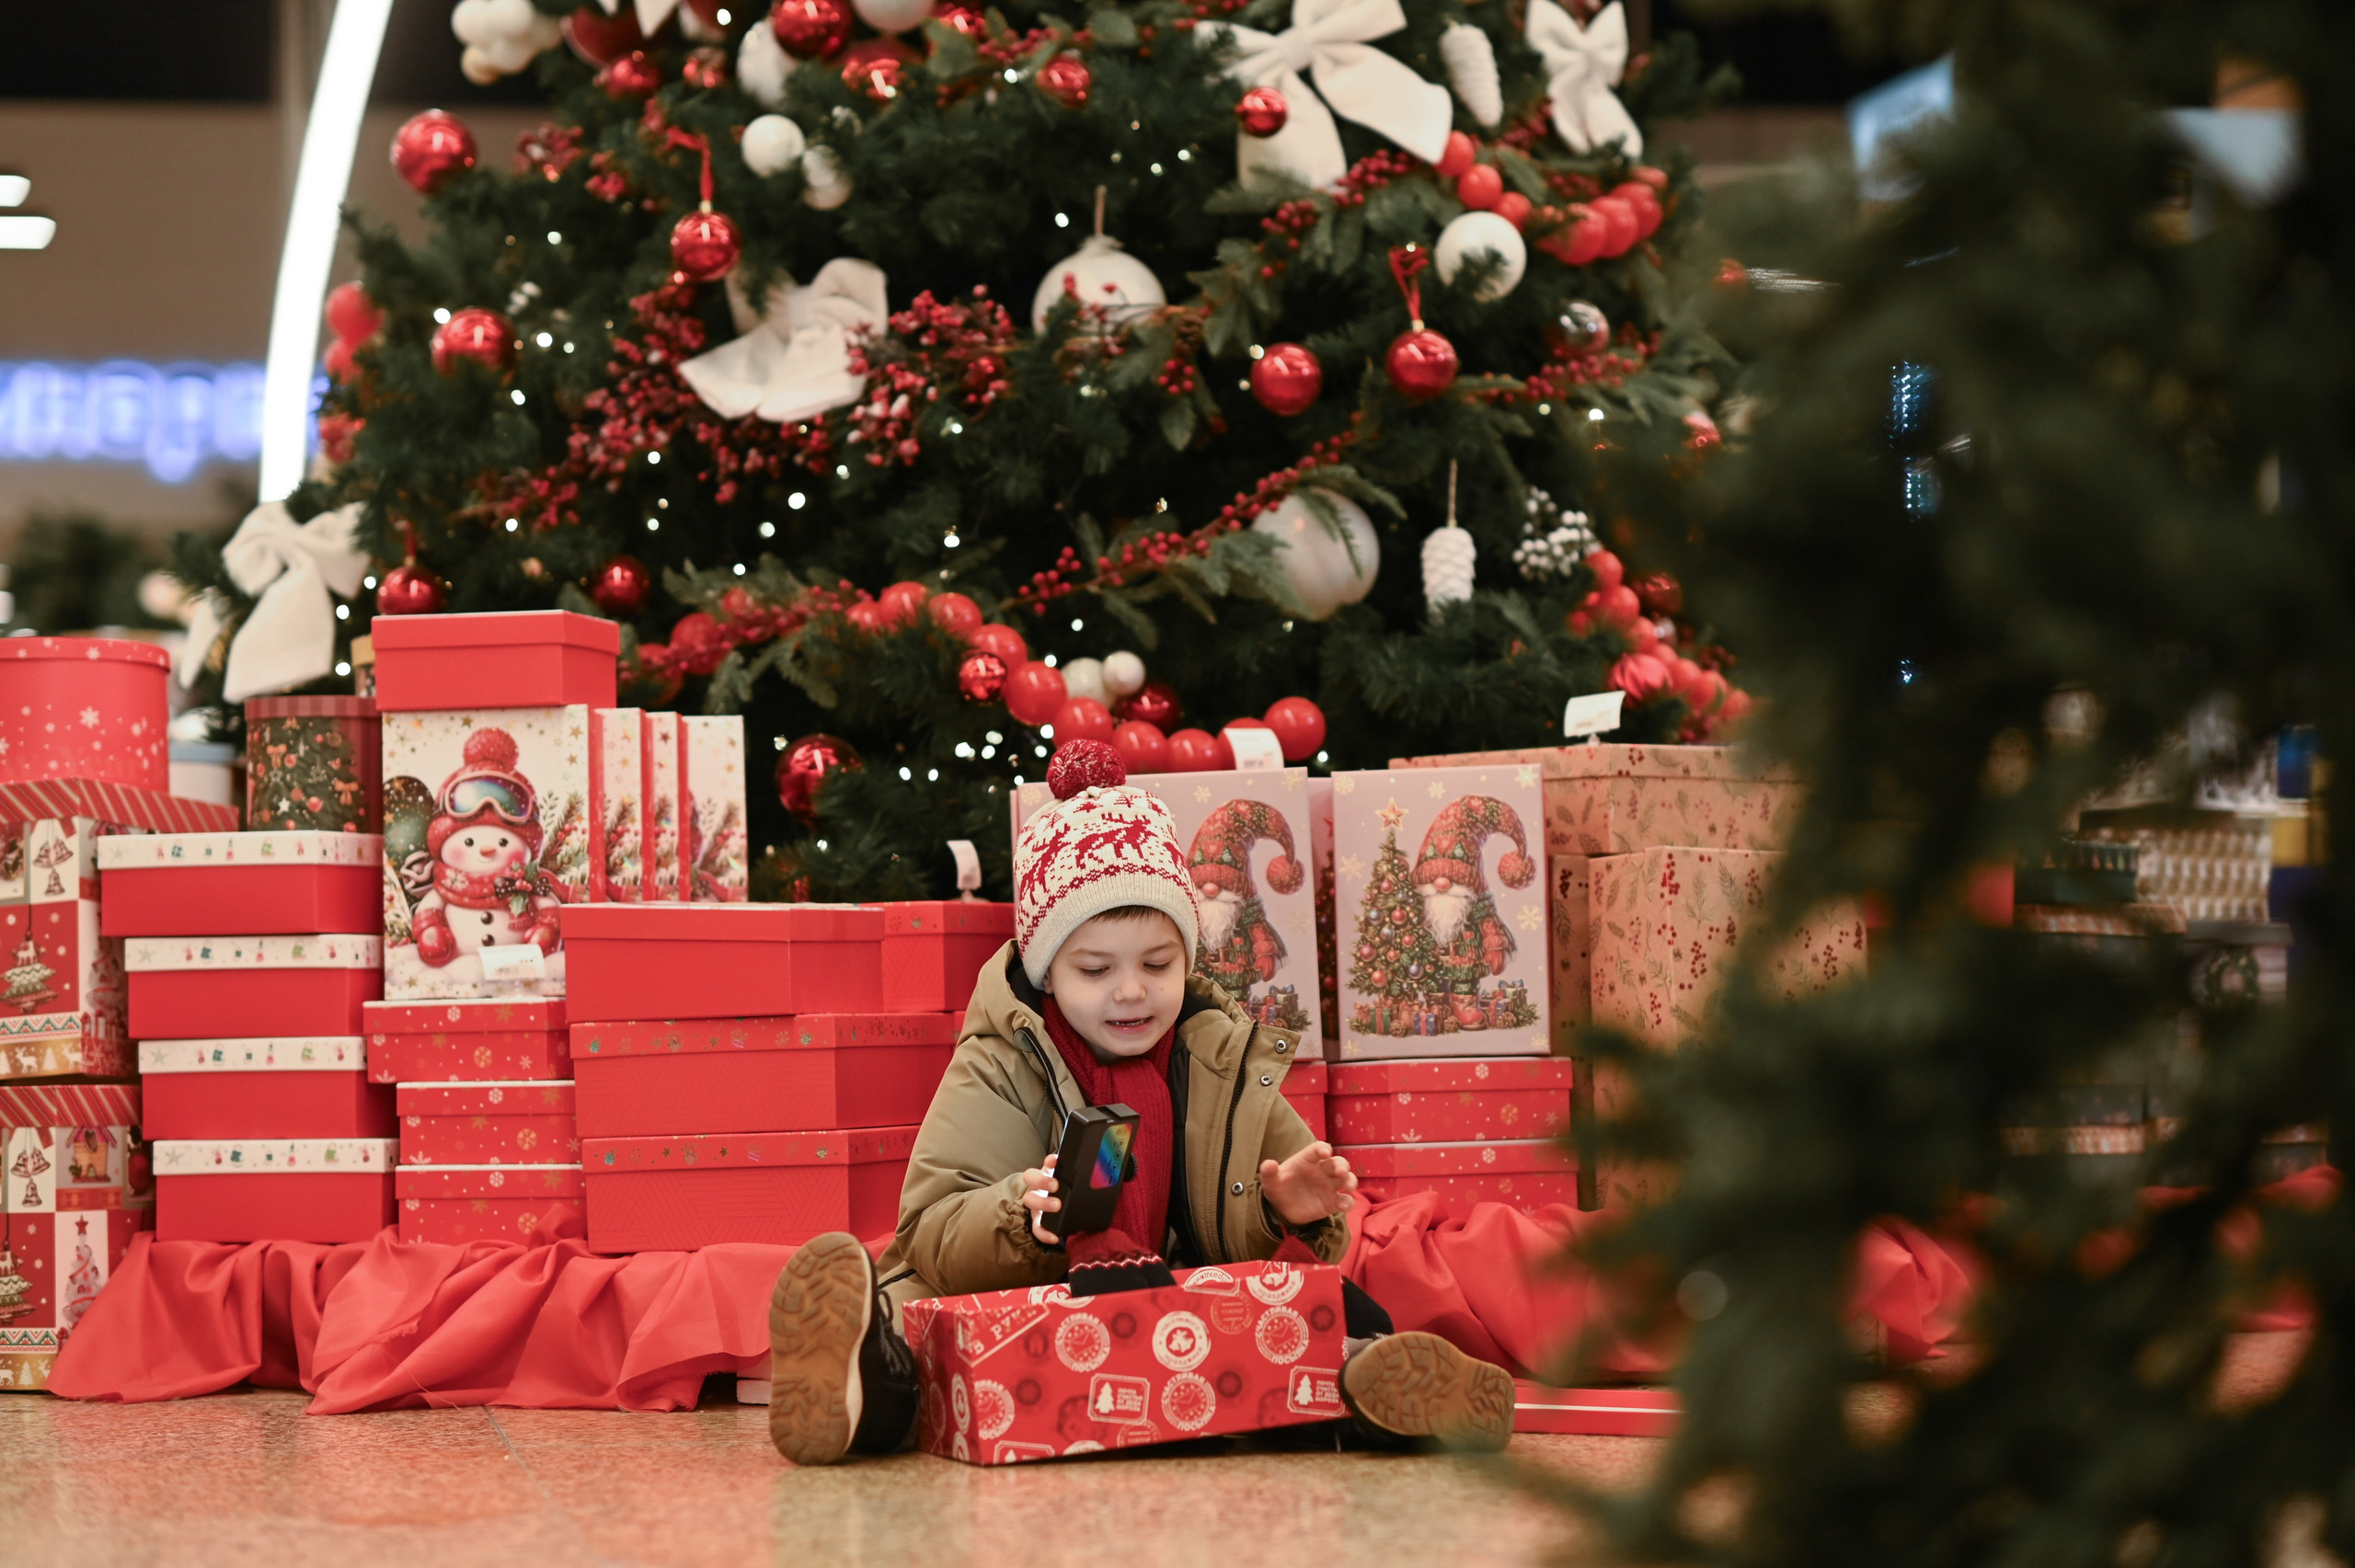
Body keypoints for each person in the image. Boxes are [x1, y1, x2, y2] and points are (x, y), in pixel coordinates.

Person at [765, 742, 1515, 1465]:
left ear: (1188, 959)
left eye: (1158, 964)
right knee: (934, 1344)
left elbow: (1265, 1241)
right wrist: (1020, 1215)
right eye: (1096, 969)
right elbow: (930, 1228)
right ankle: (865, 1372)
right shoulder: (1000, 1061)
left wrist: (1286, 1205)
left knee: (1320, 1311)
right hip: (1016, 1294)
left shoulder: (1217, 1055)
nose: (1131, 991)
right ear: (1048, 971)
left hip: (1165, 1304)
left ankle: (1378, 1384)